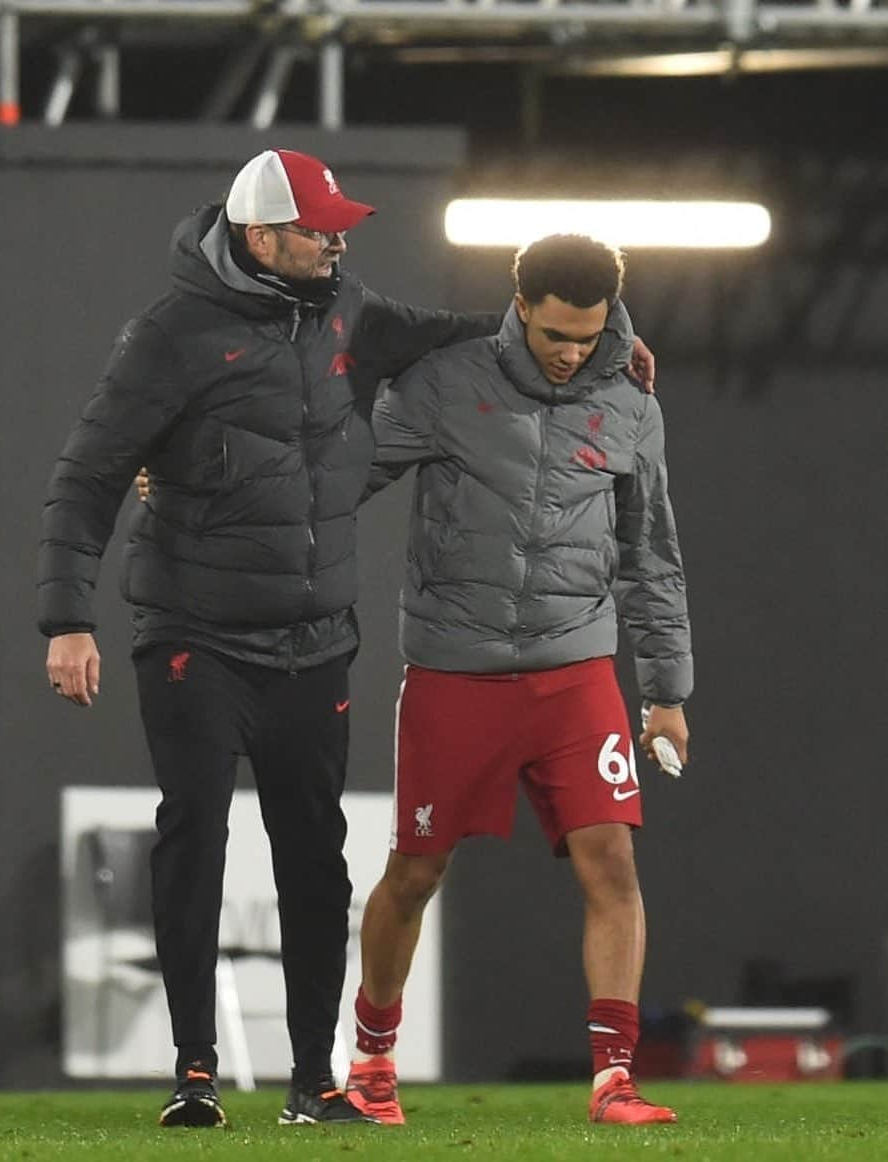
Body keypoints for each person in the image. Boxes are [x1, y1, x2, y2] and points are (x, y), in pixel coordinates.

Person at [38, 148, 656, 1129]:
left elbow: (478, 335)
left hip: (315, 638)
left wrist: (613, 340)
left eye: (338, 228)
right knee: (196, 835)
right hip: (193, 627)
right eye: (317, 229)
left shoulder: (348, 309)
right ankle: (193, 1070)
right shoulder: (168, 335)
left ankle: (312, 1083)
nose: (336, 241)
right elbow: (87, 475)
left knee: (315, 856)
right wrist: (68, 618)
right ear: (258, 235)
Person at [345, 233, 692, 1127]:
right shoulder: (446, 381)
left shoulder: (631, 400)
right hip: (454, 670)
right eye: (554, 336)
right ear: (520, 307)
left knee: (611, 858)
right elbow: (336, 480)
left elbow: (652, 556)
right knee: (415, 872)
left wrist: (665, 692)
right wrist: (210, 494)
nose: (573, 352)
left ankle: (615, 1077)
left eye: (588, 335)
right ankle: (372, 1060)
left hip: (577, 666)